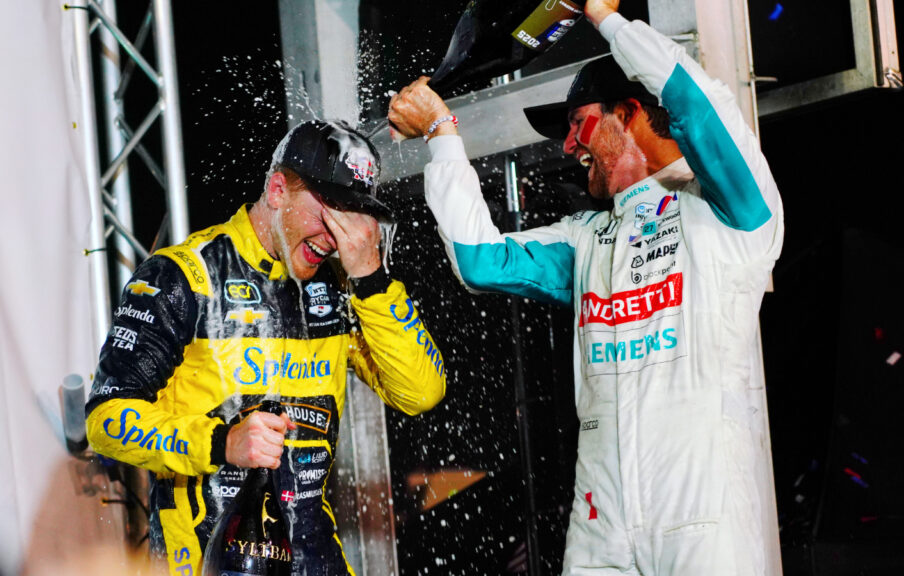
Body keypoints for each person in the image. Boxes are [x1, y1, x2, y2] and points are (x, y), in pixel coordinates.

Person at [387, 0, 784, 573]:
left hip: (703, 511)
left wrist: (606, 19)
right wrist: (440, 133)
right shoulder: (586, 239)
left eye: (578, 123)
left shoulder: (730, 213)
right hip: (601, 516)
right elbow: (478, 260)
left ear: (629, 112)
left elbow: (697, 106)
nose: (568, 146)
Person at [85, 119, 446, 576]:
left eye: (352, 219)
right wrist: (220, 442)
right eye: (329, 214)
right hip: (207, 560)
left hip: (316, 562)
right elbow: (105, 420)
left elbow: (420, 392)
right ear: (277, 190)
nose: (335, 239)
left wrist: (373, 281)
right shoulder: (186, 275)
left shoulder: (342, 289)